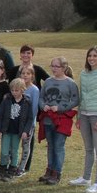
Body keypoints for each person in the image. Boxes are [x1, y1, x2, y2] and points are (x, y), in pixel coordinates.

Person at [69, 46, 97, 193]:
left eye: (95, 56)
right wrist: (79, 116)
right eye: (90, 56)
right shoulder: (84, 73)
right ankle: (86, 178)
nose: (92, 58)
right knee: (88, 149)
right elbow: (82, 96)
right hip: (85, 115)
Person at [38, 57, 80, 185]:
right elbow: (41, 97)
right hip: (48, 118)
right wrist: (43, 106)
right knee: (50, 145)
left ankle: (57, 172)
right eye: (53, 66)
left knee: (58, 146)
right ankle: (49, 170)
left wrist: (61, 108)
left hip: (62, 120)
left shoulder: (70, 83)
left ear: (64, 68)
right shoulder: (48, 81)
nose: (54, 69)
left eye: (57, 66)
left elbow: (75, 100)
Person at [0, 78, 34, 181]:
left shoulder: (27, 102)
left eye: (17, 90)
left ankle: (12, 170)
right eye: (12, 90)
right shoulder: (7, 100)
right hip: (6, 130)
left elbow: (30, 118)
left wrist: (26, 131)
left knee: (14, 150)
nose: (14, 93)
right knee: (4, 151)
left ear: (22, 90)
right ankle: (2, 169)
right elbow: (0, 115)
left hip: (17, 131)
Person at [17, 66, 40, 176]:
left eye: (28, 73)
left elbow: (35, 108)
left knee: (26, 145)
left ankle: (22, 168)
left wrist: (29, 123)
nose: (25, 75)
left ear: (32, 76)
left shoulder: (34, 90)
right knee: (15, 145)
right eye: (23, 73)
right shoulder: (18, 87)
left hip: (28, 123)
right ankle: (13, 165)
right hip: (17, 121)